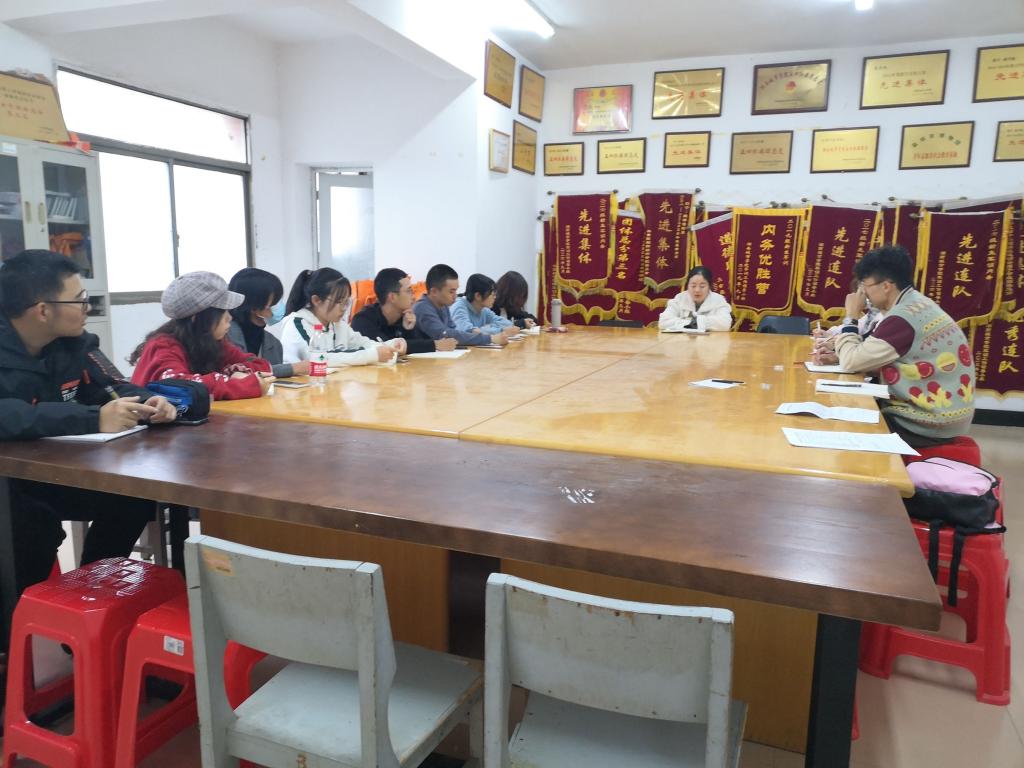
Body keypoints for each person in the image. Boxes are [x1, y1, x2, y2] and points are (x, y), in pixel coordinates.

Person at [0, 250, 178, 594]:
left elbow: (112, 385)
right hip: (9, 483)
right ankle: (22, 616)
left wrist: (146, 402)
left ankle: (93, 591)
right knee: (31, 525)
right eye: (80, 299)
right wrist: (93, 418)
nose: (88, 308)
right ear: (43, 310)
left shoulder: (77, 344)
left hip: (52, 473)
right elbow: (8, 414)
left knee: (131, 495)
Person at [833, 245, 975, 446]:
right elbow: (874, 356)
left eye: (865, 287)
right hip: (947, 416)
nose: (862, 294)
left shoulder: (901, 318)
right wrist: (838, 354)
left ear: (886, 286)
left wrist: (851, 316)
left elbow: (851, 362)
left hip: (925, 423)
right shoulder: (916, 304)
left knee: (844, 425)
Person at [130, 271, 274, 400]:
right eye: (222, 312)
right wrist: (238, 383)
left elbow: (260, 365)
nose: (229, 317)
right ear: (196, 318)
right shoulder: (163, 346)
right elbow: (179, 386)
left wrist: (234, 372)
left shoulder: (213, 342)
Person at [280, 267, 401, 365]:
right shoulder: (297, 323)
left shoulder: (336, 323)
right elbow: (319, 358)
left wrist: (390, 346)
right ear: (316, 300)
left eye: (346, 302)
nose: (344, 308)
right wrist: (372, 355)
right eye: (339, 302)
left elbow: (362, 342)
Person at [226, 267, 310, 378]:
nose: (278, 308)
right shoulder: (226, 336)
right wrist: (293, 368)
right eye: (273, 303)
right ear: (254, 306)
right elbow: (238, 373)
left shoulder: (274, 344)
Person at [351, 268, 457, 353]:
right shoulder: (363, 320)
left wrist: (409, 329)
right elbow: (388, 347)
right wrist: (435, 345)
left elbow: (418, 345)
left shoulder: (404, 316)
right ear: (392, 297)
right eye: (409, 291)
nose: (413, 297)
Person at [412, 264, 513, 346]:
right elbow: (447, 335)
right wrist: (490, 338)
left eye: (456, 290)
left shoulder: (443, 306)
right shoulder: (422, 308)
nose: (455, 296)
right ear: (434, 291)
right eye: (451, 291)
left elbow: (454, 331)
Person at [658, 266, 733, 332]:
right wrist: (694, 323)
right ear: (687, 285)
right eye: (693, 286)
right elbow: (663, 322)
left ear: (709, 286)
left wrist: (691, 323)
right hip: (683, 341)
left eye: (702, 286)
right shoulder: (680, 298)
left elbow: (725, 324)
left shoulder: (718, 300)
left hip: (710, 342)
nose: (697, 290)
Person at [450, 273, 520, 339]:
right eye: (492, 295)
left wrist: (486, 329)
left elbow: (507, 324)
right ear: (478, 296)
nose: (495, 297)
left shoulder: (483, 309)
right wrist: (500, 331)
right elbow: (467, 333)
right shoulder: (459, 307)